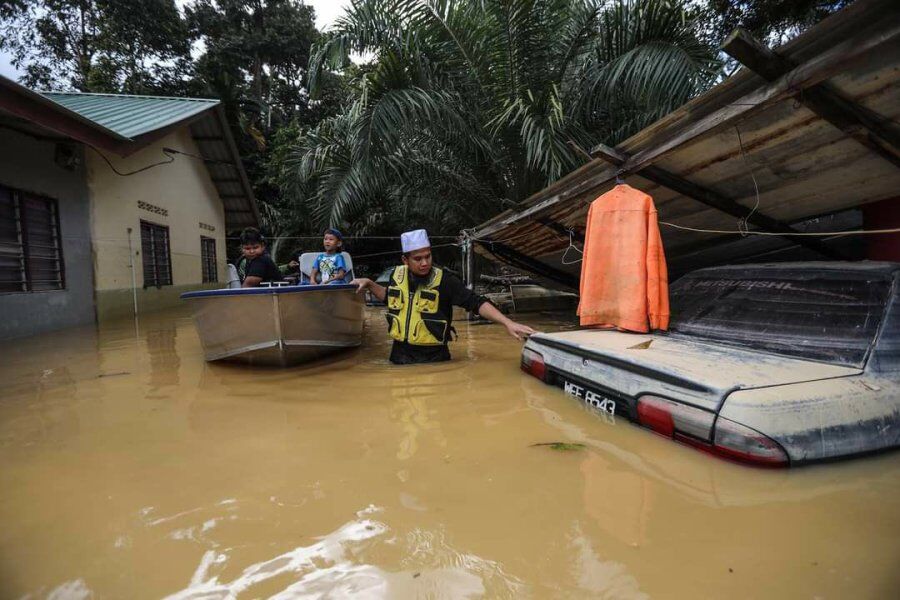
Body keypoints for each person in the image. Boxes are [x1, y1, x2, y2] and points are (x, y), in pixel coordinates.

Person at [351, 229, 536, 364]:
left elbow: (475, 302)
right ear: (405, 260)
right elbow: (389, 299)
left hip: (434, 358)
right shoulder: (396, 276)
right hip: (399, 356)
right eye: (418, 259)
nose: (424, 263)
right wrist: (369, 283)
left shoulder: (445, 280)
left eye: (428, 256)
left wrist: (507, 323)